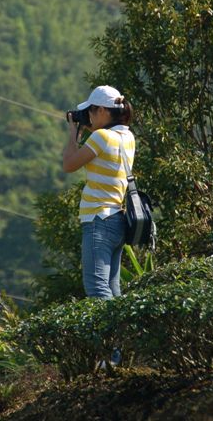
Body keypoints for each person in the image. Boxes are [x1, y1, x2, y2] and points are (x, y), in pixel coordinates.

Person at [63, 85, 135, 301]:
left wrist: (72, 134)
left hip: (98, 219)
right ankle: (122, 334)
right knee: (113, 290)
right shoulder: (127, 137)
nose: (89, 117)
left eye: (91, 111)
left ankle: (112, 335)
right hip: (117, 220)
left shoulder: (101, 137)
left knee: (97, 289)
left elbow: (69, 164)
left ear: (103, 111)